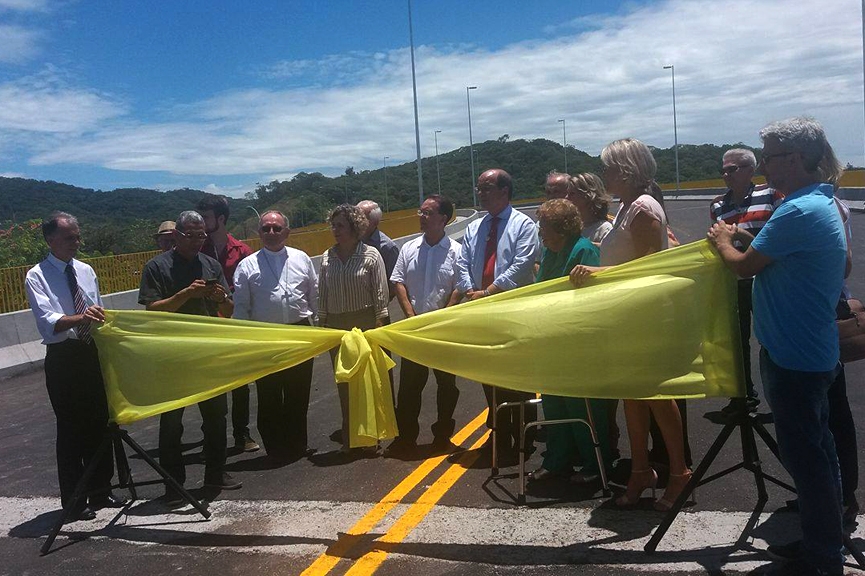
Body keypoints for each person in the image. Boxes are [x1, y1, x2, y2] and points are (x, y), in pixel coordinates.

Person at [708, 117, 847, 576]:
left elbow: (744, 267)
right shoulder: (818, 203)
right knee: (819, 451)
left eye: (769, 155)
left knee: (806, 458)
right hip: (812, 348)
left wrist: (726, 239)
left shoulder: (795, 211)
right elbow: (839, 264)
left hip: (793, 356)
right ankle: (826, 537)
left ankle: (823, 555)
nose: (764, 163)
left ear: (795, 159)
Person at [569, 138, 691, 511]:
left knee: (654, 394)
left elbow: (649, 268)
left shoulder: (642, 208)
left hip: (646, 316)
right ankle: (640, 469)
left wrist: (598, 272)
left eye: (608, 167)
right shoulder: (626, 208)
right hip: (628, 315)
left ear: (626, 170)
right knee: (633, 395)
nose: (604, 174)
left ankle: (679, 472)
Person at [25, 212, 125, 521]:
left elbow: (98, 309)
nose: (76, 243)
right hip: (64, 357)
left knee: (99, 422)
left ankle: (100, 489)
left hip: (91, 351)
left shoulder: (85, 270)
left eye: (78, 236)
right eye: (70, 238)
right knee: (70, 430)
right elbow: (48, 322)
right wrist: (82, 318)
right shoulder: (37, 275)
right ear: (51, 240)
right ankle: (74, 499)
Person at [138, 210, 242, 503]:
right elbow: (152, 310)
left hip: (208, 352)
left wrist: (221, 297)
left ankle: (216, 473)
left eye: (201, 235)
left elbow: (230, 310)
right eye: (191, 235)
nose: (197, 241)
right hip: (173, 354)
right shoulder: (157, 267)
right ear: (177, 236)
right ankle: (173, 484)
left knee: (216, 417)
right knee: (172, 422)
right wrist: (185, 294)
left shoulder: (210, 264)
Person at [456, 168, 539, 462]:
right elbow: (462, 261)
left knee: (518, 375)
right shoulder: (475, 227)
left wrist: (489, 290)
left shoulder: (523, 225)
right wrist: (470, 291)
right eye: (479, 188)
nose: (481, 193)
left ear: (504, 191)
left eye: (487, 188)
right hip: (481, 307)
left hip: (512, 309)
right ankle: (500, 433)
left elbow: (523, 264)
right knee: (488, 373)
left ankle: (525, 434)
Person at [528, 199, 612, 486]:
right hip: (552, 340)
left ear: (562, 228)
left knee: (583, 406)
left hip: (577, 343)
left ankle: (595, 463)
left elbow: (596, 295)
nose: (542, 235)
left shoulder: (583, 249)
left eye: (545, 228)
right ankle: (557, 460)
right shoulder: (550, 252)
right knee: (554, 404)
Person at [233, 211, 318, 461]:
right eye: (266, 229)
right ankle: (275, 448)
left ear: (287, 232)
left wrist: (320, 328)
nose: (271, 233)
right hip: (265, 335)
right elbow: (241, 307)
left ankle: (297, 445)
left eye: (277, 228)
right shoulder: (247, 265)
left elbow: (314, 295)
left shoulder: (301, 258)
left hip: (299, 331)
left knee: (298, 392)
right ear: (259, 233)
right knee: (269, 393)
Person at [707, 148, 784, 419]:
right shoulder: (718, 205)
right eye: (724, 170)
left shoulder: (771, 196)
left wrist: (738, 234)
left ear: (751, 170)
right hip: (734, 280)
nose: (726, 174)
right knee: (736, 342)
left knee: (772, 337)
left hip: (765, 279)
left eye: (733, 169)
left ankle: (781, 398)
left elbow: (779, 240)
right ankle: (742, 396)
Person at [386, 195, 461, 457]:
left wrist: (444, 315)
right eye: (421, 211)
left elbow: (460, 287)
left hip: (443, 330)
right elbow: (398, 281)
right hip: (415, 328)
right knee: (409, 387)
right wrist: (410, 315)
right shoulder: (409, 248)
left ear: (443, 218)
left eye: (428, 213)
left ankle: (443, 436)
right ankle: (405, 438)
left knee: (447, 387)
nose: (421, 216)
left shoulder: (456, 251)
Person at [318, 203, 390, 453]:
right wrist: (323, 326)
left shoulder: (371, 255)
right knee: (345, 384)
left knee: (367, 384)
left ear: (354, 227)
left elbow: (381, 295)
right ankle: (350, 439)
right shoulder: (327, 257)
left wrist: (379, 325)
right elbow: (323, 295)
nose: (335, 230)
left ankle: (371, 439)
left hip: (365, 325)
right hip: (337, 328)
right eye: (333, 225)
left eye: (341, 226)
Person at [196, 194, 259, 453]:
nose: (201, 223)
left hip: (235, 323)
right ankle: (211, 433)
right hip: (208, 327)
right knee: (210, 384)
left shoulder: (242, 251)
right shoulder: (197, 251)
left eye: (206, 217)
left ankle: (241, 433)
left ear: (220, 219)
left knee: (240, 383)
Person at [357, 200, 399, 300]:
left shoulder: (387, 247)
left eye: (362, 218)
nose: (357, 221)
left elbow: (393, 282)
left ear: (374, 223)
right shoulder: (353, 242)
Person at [570, 172, 613, 244]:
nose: (567, 197)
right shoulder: (571, 228)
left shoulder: (604, 229)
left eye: (572, 193)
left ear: (587, 196)